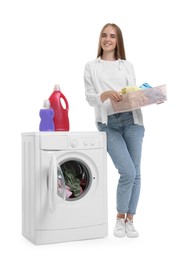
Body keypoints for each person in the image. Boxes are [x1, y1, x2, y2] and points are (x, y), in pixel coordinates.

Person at [84, 23, 145, 238]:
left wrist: (150, 97)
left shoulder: (126, 66)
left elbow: (133, 93)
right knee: (127, 171)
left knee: (135, 172)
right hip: (108, 124)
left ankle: (130, 220)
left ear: (118, 41)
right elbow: (90, 98)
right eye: (104, 35)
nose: (107, 39)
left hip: (132, 121)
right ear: (100, 39)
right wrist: (107, 94)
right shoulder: (91, 66)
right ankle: (120, 218)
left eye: (112, 36)